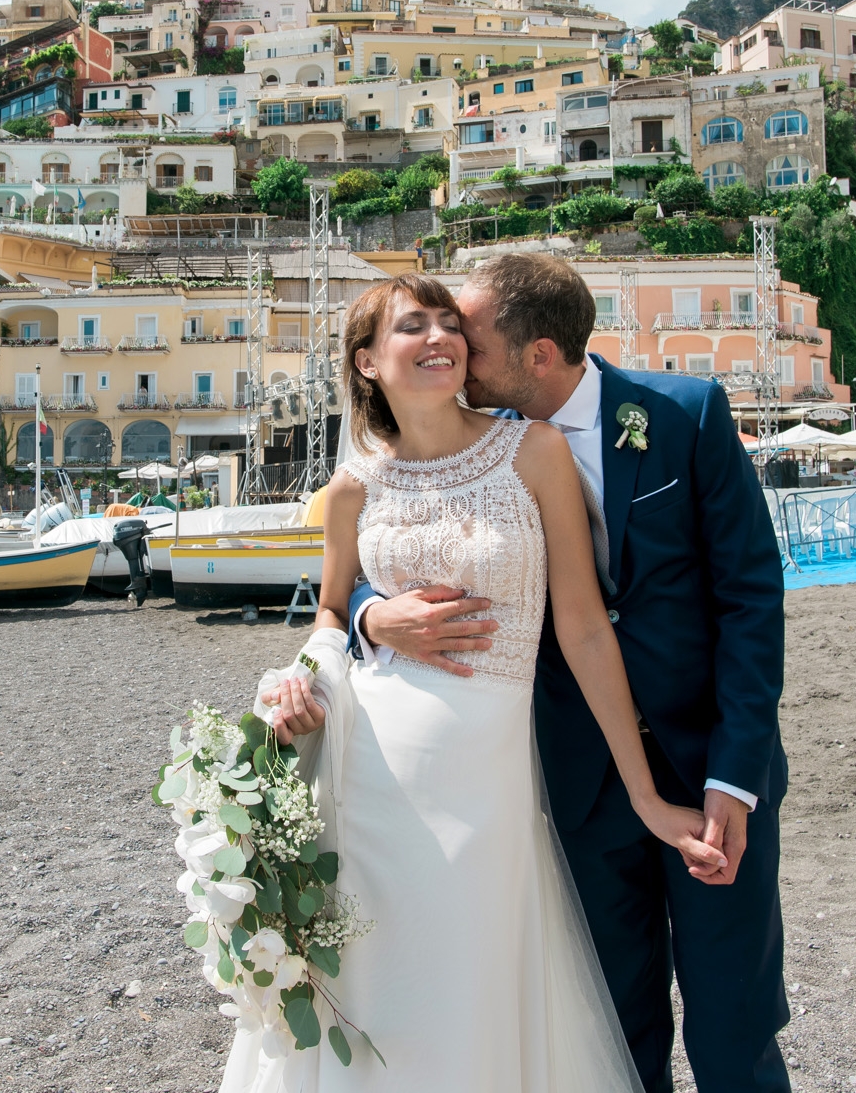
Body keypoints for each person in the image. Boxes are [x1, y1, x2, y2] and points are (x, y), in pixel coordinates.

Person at [240, 272, 723, 1091]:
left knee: (474, 984)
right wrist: (329, 652)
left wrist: (645, 795)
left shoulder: (533, 452)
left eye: (446, 323)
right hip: (371, 775)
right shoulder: (353, 485)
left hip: (489, 779)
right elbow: (327, 613)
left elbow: (581, 628)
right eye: (411, 326)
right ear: (365, 362)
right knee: (380, 986)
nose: (438, 337)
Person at [342, 255, 790, 1092]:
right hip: (569, 782)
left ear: (538, 355)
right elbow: (389, 536)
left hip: (711, 771)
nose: (448, 353)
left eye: (468, 342)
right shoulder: (483, 448)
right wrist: (372, 611)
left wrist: (736, 778)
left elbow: (751, 601)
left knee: (736, 1025)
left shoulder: (684, 414)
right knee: (613, 1031)